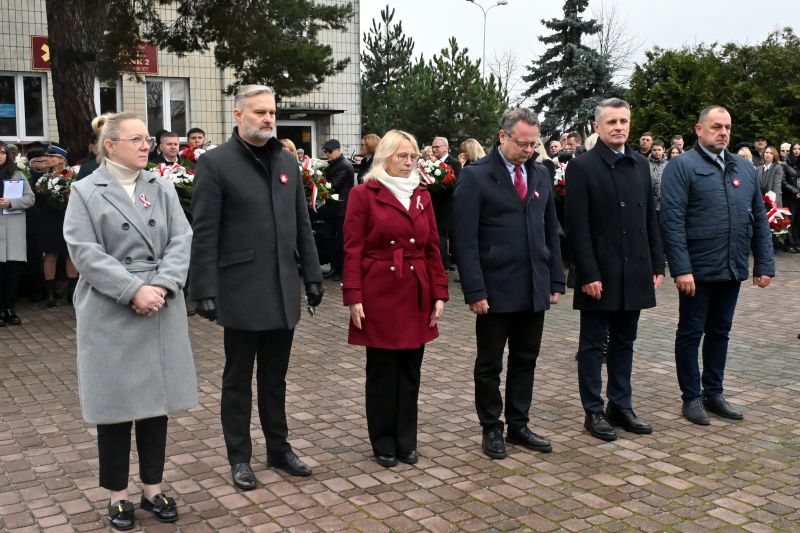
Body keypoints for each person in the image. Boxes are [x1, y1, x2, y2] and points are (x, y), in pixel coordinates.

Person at [63, 112, 197, 530]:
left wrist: (162, 285)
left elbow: (181, 239)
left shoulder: (161, 186)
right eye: (136, 139)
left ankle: (153, 488)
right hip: (111, 308)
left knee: (156, 406)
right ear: (110, 145)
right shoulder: (85, 190)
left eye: (147, 140)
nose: (146, 146)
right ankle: (117, 496)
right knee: (115, 407)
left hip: (160, 302)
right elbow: (84, 251)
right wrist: (132, 290)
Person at [190, 84, 324, 488]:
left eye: (272, 112)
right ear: (239, 115)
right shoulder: (215, 163)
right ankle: (239, 457)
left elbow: (301, 222)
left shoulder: (285, 160)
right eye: (260, 112)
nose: (268, 119)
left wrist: (313, 275)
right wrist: (203, 288)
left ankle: (279, 448)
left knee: (274, 379)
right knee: (237, 380)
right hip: (241, 289)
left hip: (282, 288)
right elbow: (205, 231)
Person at [453, 108, 565, 459]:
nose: (529, 150)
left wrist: (556, 278)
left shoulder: (541, 174)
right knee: (490, 364)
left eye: (534, 144)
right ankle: (491, 427)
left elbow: (551, 230)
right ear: (503, 136)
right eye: (522, 143)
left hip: (533, 285)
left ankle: (519, 424)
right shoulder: (476, 176)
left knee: (525, 359)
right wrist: (474, 289)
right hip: (495, 287)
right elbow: (464, 240)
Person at [660, 105, 774, 425]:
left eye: (727, 127)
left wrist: (764, 263)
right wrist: (681, 268)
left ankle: (714, 392)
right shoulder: (682, 166)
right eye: (716, 127)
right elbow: (672, 221)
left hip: (732, 266)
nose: (723, 132)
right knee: (691, 332)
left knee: (720, 332)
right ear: (699, 129)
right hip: (697, 270)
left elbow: (759, 218)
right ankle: (691, 397)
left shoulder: (744, 168)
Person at [342, 130, 448, 467]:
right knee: (383, 371)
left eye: (413, 157)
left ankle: (406, 439)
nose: (409, 162)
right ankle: (383, 440)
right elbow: (352, 249)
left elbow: (432, 248)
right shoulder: (364, 194)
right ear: (385, 157)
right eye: (402, 156)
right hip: (379, 290)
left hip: (416, 289)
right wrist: (353, 295)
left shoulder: (422, 195)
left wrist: (439, 292)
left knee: (410, 371)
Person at [565, 98, 664, 442]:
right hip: (600, 272)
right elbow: (576, 226)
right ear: (598, 127)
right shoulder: (582, 167)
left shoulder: (640, 164)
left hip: (635, 267)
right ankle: (593, 410)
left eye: (624, 121)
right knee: (593, 345)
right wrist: (588, 273)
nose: (619, 127)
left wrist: (657, 262)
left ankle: (620, 405)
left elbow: (650, 218)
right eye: (612, 122)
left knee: (624, 341)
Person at [35, 144, 79, 307]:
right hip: (49, 220)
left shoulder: (72, 175)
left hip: (69, 219)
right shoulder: (43, 178)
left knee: (70, 254)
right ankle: (50, 293)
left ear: (61, 159)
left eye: (51, 157)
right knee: (50, 255)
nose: (47, 159)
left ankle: (72, 291)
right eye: (47, 156)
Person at [0, 144, 35, 326]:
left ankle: (9, 308)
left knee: (13, 273)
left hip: (13, 231)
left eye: (2, 152)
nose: (0, 155)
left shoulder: (17, 174)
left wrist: (11, 203)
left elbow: (30, 198)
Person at [322, 138, 355, 281]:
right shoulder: (334, 164)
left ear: (338, 150)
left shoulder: (344, 165)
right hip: (332, 209)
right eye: (325, 152)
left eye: (330, 151)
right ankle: (335, 268)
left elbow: (333, 186)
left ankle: (341, 271)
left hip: (341, 210)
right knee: (330, 239)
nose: (327, 154)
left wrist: (318, 183)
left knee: (339, 241)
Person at [430, 137, 462, 271]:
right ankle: (442, 264)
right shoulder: (432, 163)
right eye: (433, 147)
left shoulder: (454, 163)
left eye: (437, 147)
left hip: (447, 205)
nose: (434, 149)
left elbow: (457, 185)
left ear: (446, 147)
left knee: (443, 235)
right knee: (438, 234)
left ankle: (444, 265)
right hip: (435, 205)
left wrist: (438, 186)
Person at [782, 143, 800, 252]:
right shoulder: (785, 164)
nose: (797, 151)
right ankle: (789, 243)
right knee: (790, 220)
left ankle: (797, 242)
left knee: (798, 220)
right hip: (790, 196)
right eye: (794, 149)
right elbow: (784, 182)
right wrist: (795, 192)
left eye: (799, 149)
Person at [648, 139, 668, 214]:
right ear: (651, 150)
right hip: (649, 202)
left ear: (664, 150)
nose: (656, 152)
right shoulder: (646, 163)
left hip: (664, 203)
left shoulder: (668, 164)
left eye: (659, 150)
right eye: (654, 150)